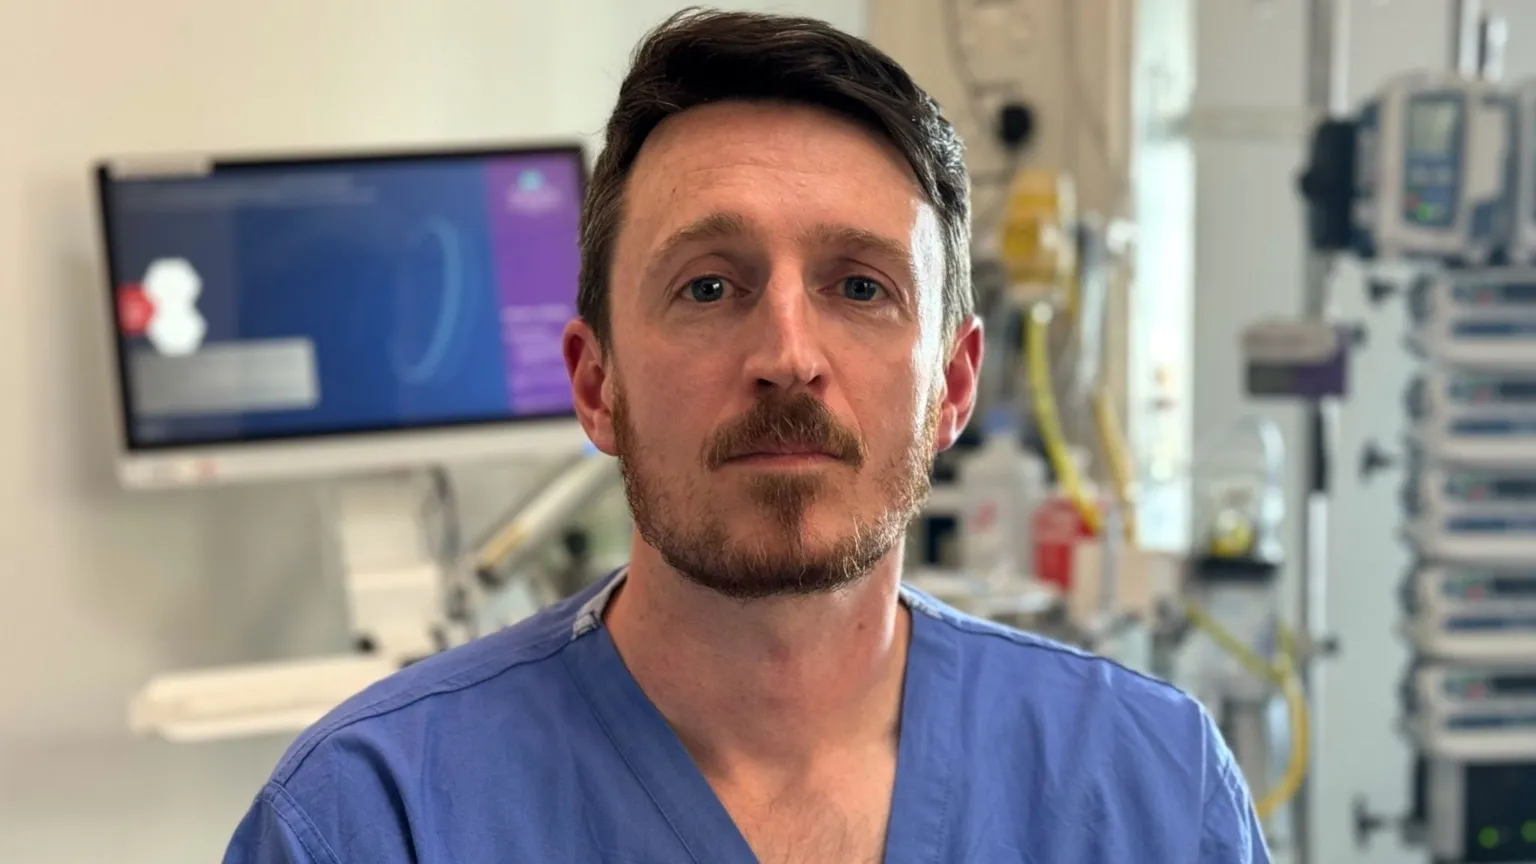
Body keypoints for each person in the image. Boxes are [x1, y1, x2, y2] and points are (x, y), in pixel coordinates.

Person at [224, 9, 1270, 863]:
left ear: (953, 385)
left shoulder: (1150, 789)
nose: (788, 355)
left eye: (860, 287)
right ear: (595, 383)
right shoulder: (373, 821)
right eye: (709, 286)